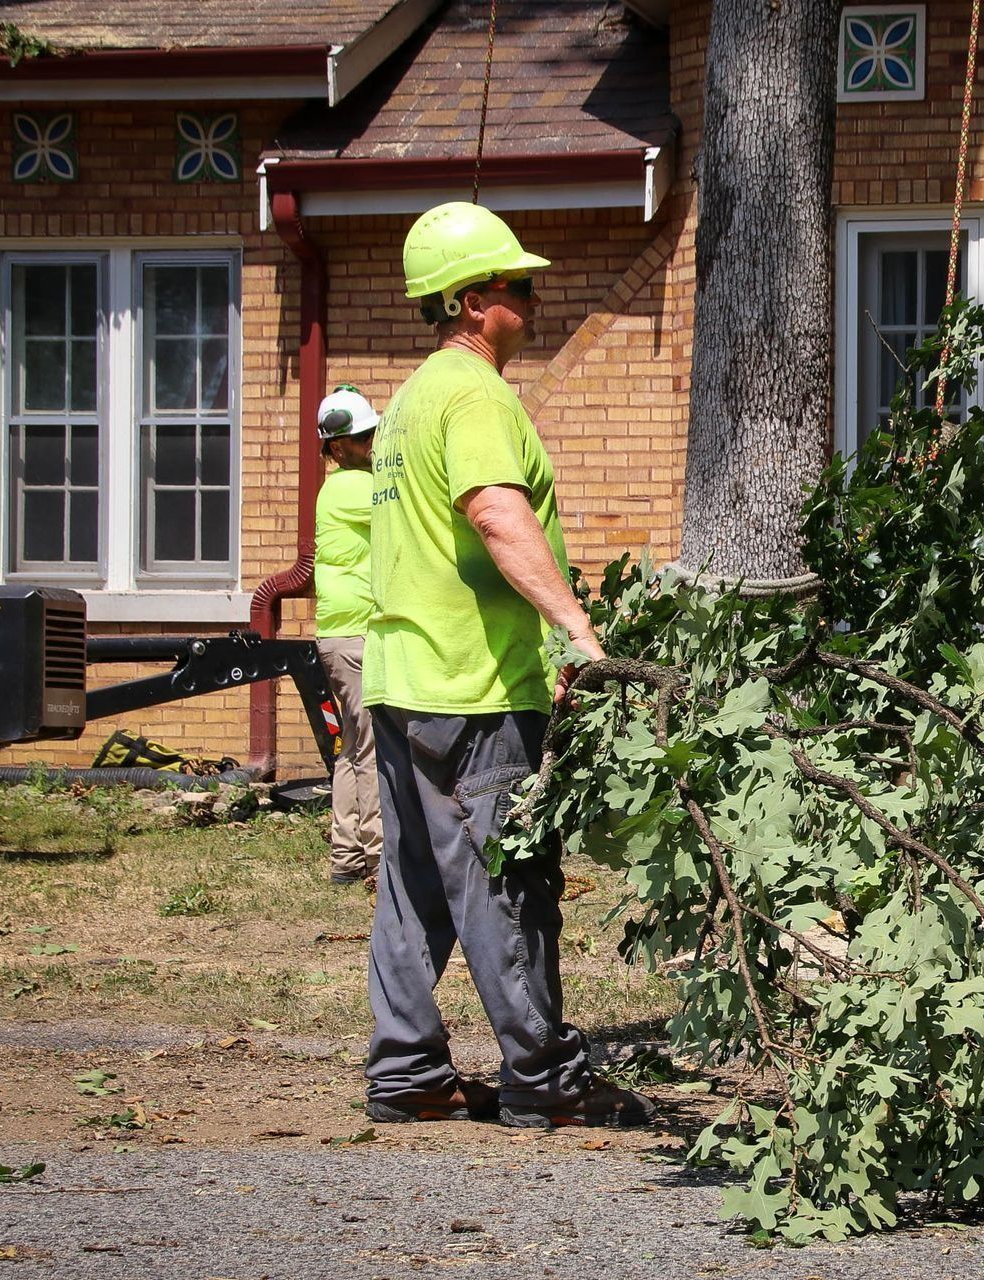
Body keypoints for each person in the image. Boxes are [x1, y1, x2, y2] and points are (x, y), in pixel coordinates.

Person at [361, 201, 655, 1129]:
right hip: (474, 687)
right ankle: (546, 1079)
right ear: (472, 299)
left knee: (414, 884)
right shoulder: (477, 397)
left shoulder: (410, 398)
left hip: (404, 678)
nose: (535, 300)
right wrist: (575, 625)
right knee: (507, 878)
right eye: (520, 286)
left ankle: (408, 1071)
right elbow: (495, 512)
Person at [313, 384, 382, 886]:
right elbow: (411, 511)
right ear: (338, 447)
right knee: (375, 747)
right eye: (362, 438)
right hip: (357, 636)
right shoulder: (351, 487)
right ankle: (380, 859)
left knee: (354, 747)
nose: (372, 443)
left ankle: (346, 856)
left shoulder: (338, 487)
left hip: (339, 636)